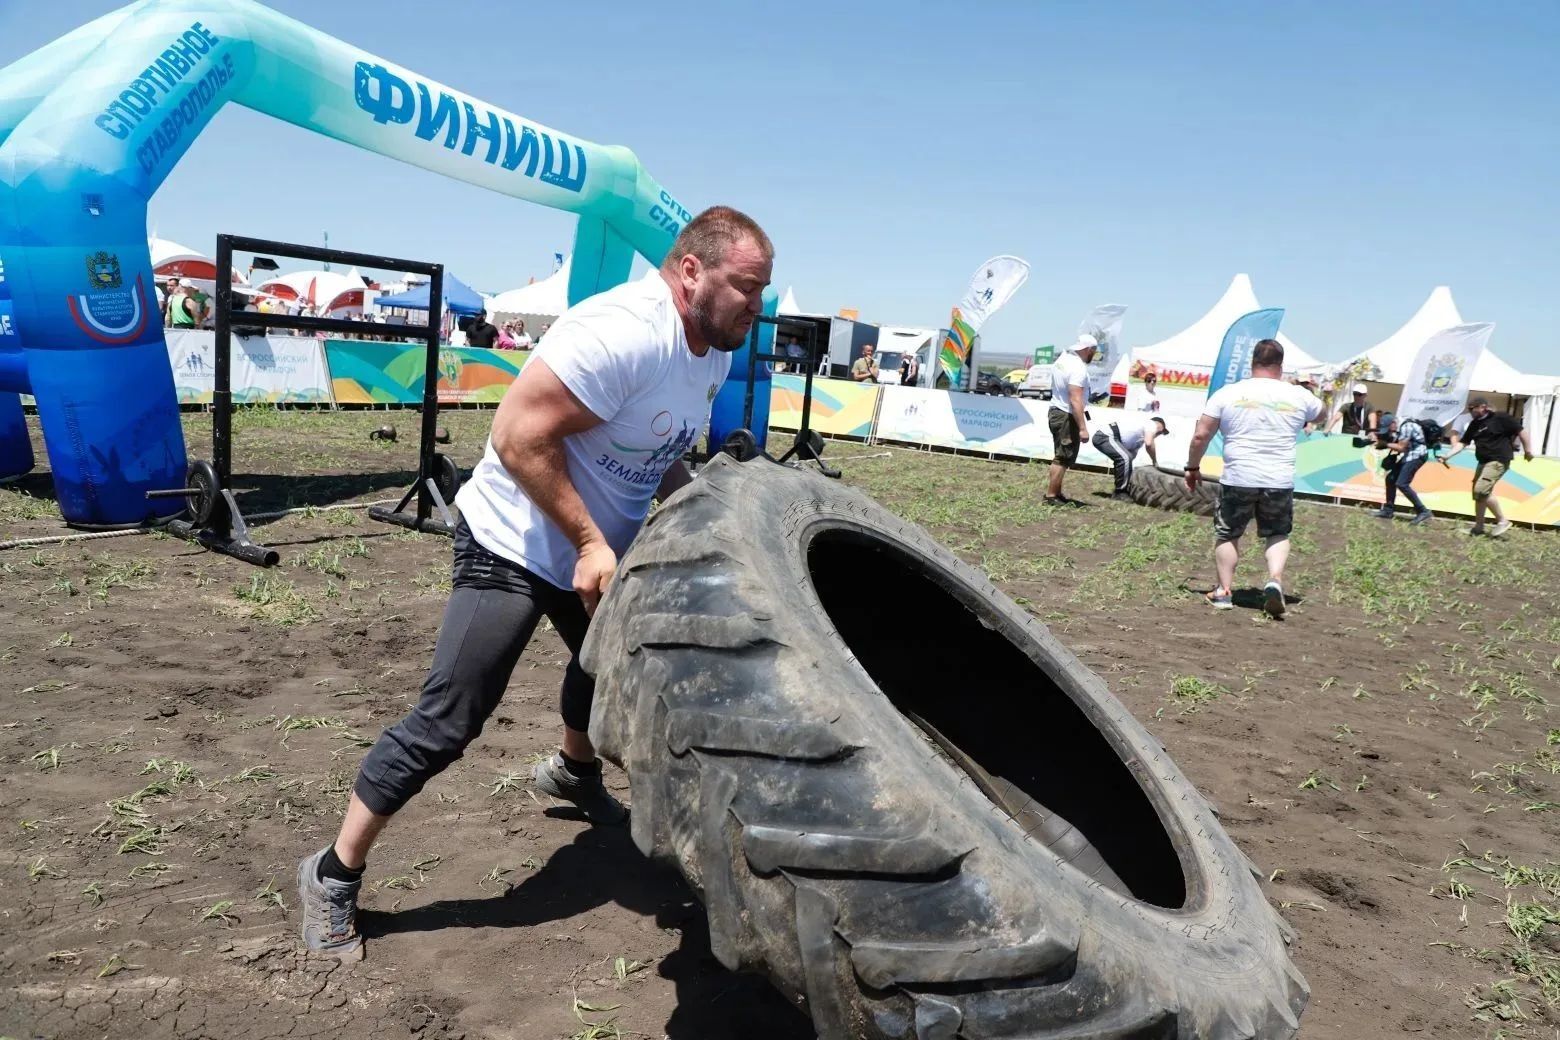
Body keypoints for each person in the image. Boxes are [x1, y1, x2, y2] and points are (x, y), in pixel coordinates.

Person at [296, 206, 773, 960]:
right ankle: (332, 874)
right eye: (748, 287)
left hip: (595, 548)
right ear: (691, 271)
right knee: (452, 716)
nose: (758, 305)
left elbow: (661, 455)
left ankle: (573, 771)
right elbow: (517, 434)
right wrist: (586, 540)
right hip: (514, 538)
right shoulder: (621, 331)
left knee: (611, 662)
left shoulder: (711, 349)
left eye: (764, 290)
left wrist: (696, 512)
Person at [1185, 339, 1323, 618]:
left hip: (1239, 476)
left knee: (1228, 533)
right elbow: (1321, 413)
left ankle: (1224, 592)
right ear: (1281, 366)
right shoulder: (1298, 395)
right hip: (1279, 478)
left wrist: (1192, 466)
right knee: (1277, 533)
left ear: (1253, 362)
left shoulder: (1229, 393)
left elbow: (1201, 435)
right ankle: (1274, 579)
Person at [1439, 398, 1533, 538]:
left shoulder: (1501, 417)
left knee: (1481, 490)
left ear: (1483, 407)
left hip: (1498, 460)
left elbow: (1522, 432)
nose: (1470, 411)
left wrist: (1528, 450)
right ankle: (1478, 528)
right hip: (1483, 461)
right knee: (1478, 495)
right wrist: (1448, 455)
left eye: (1472, 408)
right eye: (1469, 408)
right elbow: (1463, 443)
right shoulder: (1474, 424)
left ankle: (1502, 521)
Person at [1044, 334, 1098, 506]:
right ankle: (1051, 495)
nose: (1093, 355)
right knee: (1063, 457)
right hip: (1067, 415)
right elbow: (1075, 399)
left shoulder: (1063, 359)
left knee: (1060, 455)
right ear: (1088, 349)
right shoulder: (1078, 369)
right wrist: (1083, 427)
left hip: (1055, 410)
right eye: (1094, 351)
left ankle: (1056, 493)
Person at [1371, 415, 1434, 525]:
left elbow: (1401, 447)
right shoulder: (1402, 426)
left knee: (1402, 483)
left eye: (1389, 428)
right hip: (1410, 455)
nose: (1390, 431)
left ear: (1393, 423)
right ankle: (1388, 510)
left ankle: (1423, 511)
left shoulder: (1407, 426)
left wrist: (1385, 444)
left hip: (1416, 456)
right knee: (1390, 479)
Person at [1092, 414, 1167, 499]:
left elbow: (1129, 460)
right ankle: (1120, 493)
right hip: (1105, 436)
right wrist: (1154, 461)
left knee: (1126, 459)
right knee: (1125, 458)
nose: (1160, 434)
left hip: (1111, 438)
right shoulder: (1151, 424)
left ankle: (1123, 489)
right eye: (1161, 431)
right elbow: (1149, 444)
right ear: (1158, 423)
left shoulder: (1139, 439)